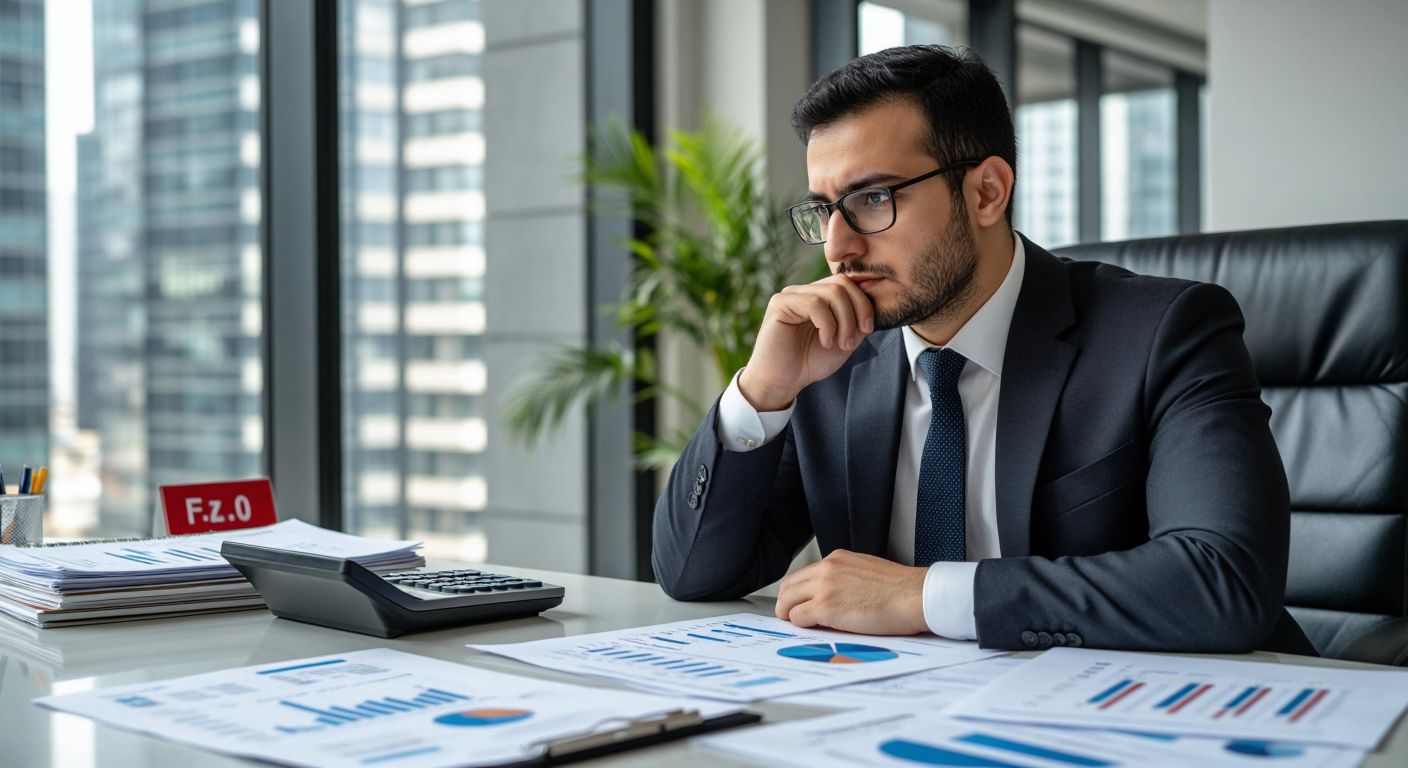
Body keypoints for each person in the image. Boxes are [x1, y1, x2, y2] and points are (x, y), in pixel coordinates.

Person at [651, 44, 1315, 654]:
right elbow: (693, 575)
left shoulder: (1164, 332)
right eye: (825, 210)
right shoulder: (831, 355)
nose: (838, 248)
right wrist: (760, 394)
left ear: (987, 192)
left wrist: (923, 595)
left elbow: (1223, 582)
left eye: (874, 198)